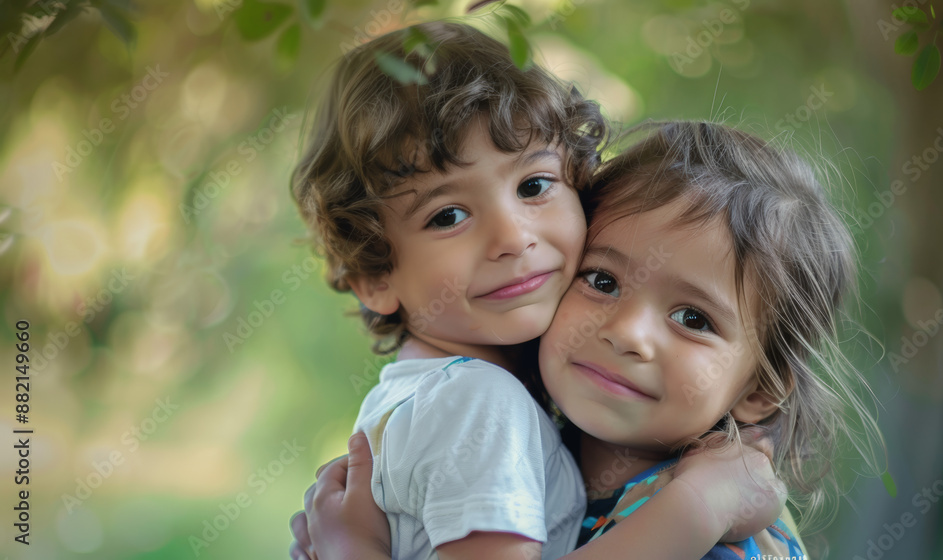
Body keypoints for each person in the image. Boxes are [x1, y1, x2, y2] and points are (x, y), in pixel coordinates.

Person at [290, 18, 785, 560]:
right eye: (448, 215)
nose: (512, 237)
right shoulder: (478, 402)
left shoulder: (435, 397)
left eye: (533, 185)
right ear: (375, 278)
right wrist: (699, 505)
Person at [291, 122, 886, 559]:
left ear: (759, 388)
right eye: (601, 281)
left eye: (694, 319)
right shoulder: (522, 464)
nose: (626, 332)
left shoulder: (723, 536)